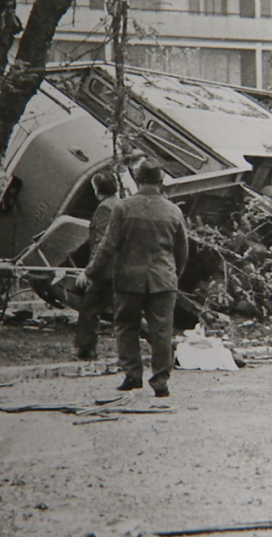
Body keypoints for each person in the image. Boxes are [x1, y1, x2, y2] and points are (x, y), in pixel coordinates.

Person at [77, 158, 188, 397]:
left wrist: (90, 272)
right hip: (164, 279)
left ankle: (132, 375)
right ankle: (160, 381)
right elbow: (182, 251)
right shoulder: (174, 211)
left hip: (129, 278)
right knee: (162, 330)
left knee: (126, 325)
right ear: (161, 181)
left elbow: (107, 246)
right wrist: (172, 275)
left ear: (137, 181)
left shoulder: (123, 207)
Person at [73, 170, 120, 361]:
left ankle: (86, 349)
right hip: (119, 268)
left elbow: (102, 242)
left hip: (106, 270)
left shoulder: (105, 208)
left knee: (89, 308)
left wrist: (90, 271)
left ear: (97, 189)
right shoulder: (120, 204)